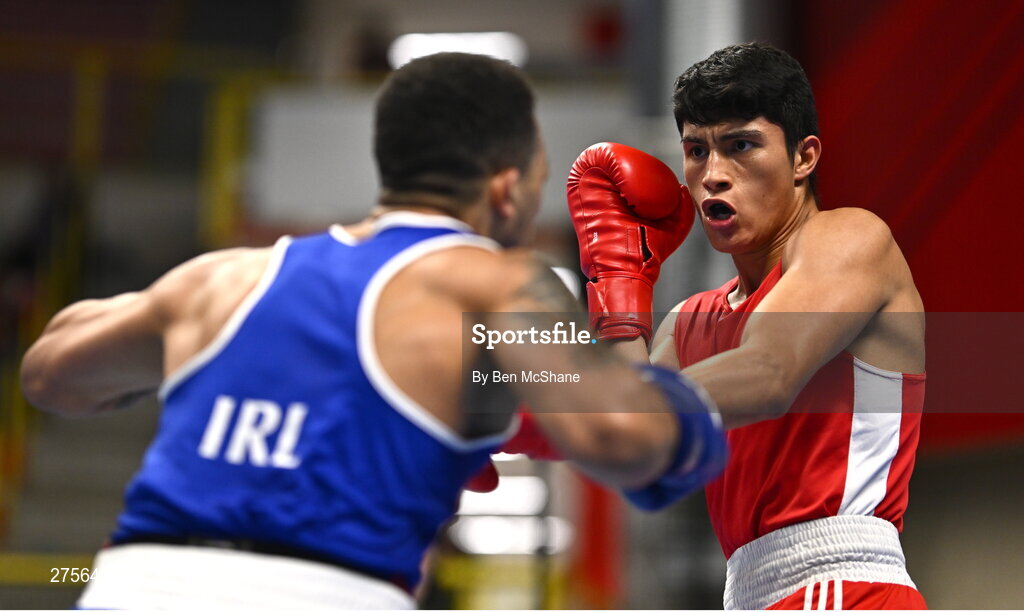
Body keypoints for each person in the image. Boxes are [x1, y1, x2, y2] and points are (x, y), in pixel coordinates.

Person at [20, 52, 726, 610]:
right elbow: (619, 437)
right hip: (325, 591)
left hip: (130, 586)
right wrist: (686, 411)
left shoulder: (224, 279)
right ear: (508, 188)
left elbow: (51, 371)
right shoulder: (494, 283)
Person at [563, 43, 926, 609]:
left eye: (741, 146)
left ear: (804, 158)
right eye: (696, 151)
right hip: (750, 591)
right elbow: (637, 456)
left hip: (847, 584)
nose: (713, 176)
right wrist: (619, 293)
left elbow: (769, 372)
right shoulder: (686, 322)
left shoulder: (851, 238)